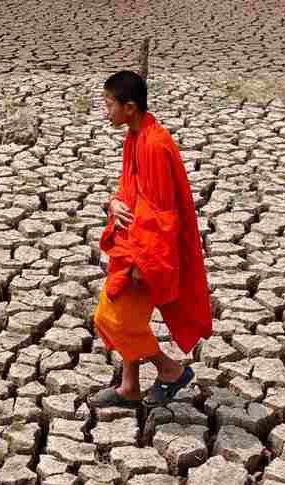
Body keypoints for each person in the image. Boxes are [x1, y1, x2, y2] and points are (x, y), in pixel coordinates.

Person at [88, 71, 213, 409]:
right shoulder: (135, 135)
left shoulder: (155, 144)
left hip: (145, 251)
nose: (106, 111)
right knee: (117, 317)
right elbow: (130, 190)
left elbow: (161, 213)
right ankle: (129, 387)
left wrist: (146, 263)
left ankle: (170, 370)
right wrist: (113, 202)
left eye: (109, 104)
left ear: (129, 107)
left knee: (116, 319)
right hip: (131, 241)